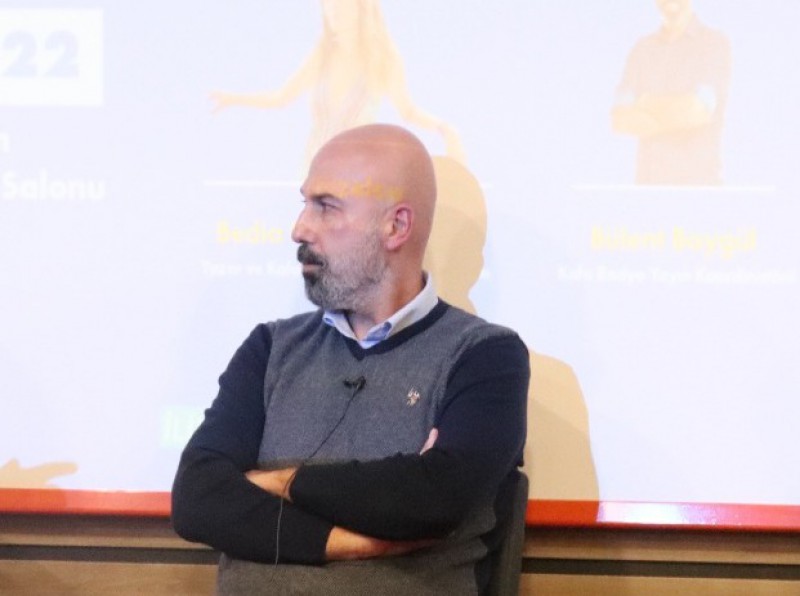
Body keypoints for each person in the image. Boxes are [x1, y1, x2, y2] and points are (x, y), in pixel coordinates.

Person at [172, 124, 529, 595]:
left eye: (325, 206)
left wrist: (278, 483)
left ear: (396, 227)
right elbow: (197, 498)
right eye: (305, 204)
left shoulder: (485, 357)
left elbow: (433, 500)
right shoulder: (270, 348)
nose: (300, 229)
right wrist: (351, 542)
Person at [211, 0, 466, 167]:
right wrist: (233, 99)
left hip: (357, 171)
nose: (334, 12)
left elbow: (408, 111)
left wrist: (444, 128)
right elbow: (281, 98)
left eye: (341, 6)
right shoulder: (322, 56)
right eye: (329, 6)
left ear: (360, 8)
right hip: (316, 168)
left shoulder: (383, 58)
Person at [611, 0, 731, 185]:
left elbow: (697, 111)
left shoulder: (713, 44)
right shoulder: (642, 49)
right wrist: (675, 112)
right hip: (648, 185)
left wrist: (644, 105)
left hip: (699, 186)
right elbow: (620, 119)